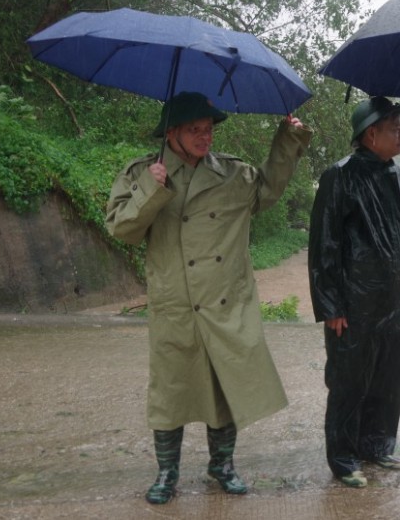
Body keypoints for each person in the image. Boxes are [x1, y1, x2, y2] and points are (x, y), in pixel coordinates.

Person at [105, 91, 313, 504]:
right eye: (195, 130)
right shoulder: (143, 173)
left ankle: (222, 466)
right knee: (171, 390)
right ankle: (167, 473)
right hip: (176, 304)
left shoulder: (233, 174)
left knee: (224, 385)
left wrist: (288, 139)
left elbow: (269, 190)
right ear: (172, 133)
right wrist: (151, 188)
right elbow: (121, 230)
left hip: (224, 301)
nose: (206, 137)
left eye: (209, 129)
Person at [308, 96, 400, 488]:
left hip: (391, 301)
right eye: (394, 128)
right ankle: (343, 457)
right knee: (349, 381)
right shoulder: (340, 176)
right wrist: (331, 304)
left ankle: (377, 446)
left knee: (388, 379)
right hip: (353, 304)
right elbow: (324, 246)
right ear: (370, 134)